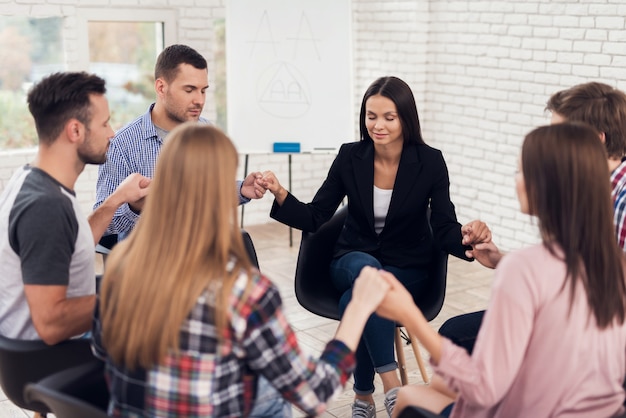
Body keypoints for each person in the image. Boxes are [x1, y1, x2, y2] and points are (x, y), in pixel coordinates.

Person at [92, 123, 392, 417]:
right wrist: (358, 309)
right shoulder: (245, 293)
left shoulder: (119, 272)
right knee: (272, 397)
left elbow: (106, 363)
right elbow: (313, 394)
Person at [260, 76, 492, 418]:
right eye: (371, 116)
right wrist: (280, 193)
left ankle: (363, 396)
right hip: (349, 260)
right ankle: (391, 385)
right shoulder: (350, 156)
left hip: (408, 268)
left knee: (363, 294)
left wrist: (468, 239)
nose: (378, 125)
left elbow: (442, 225)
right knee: (367, 273)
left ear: (405, 119)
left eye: (388, 117)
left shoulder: (429, 162)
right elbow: (316, 216)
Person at [379, 122, 626, 418]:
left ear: (543, 186)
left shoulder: (525, 270)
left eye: (521, 171)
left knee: (407, 396)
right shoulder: (614, 262)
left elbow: (485, 388)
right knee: (443, 384)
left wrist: (409, 314)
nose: (516, 180)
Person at [439, 81, 626, 355]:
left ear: (596, 140)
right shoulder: (586, 190)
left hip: (596, 345)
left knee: (458, 339)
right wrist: (502, 260)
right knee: (456, 334)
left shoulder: (621, 201)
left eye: (558, 135)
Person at [0, 72, 150, 344]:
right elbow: (51, 323)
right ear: (75, 131)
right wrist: (133, 299)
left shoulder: (30, 178)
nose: (113, 133)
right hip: (54, 362)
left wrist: (117, 199)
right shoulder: (46, 207)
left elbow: (72, 245)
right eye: (104, 124)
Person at [94, 44, 265, 240]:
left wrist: (241, 189)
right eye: (189, 90)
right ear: (161, 87)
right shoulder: (122, 144)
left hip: (203, 252)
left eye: (203, 91)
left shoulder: (208, 133)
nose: (199, 100)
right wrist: (135, 207)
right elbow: (104, 223)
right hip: (149, 261)